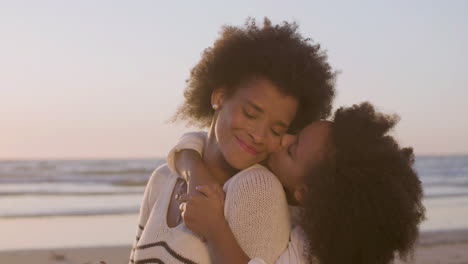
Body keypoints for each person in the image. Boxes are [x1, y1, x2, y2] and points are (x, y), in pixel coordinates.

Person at [129, 17, 335, 264]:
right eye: (250, 114)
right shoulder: (163, 178)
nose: (258, 135)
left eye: (276, 130)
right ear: (219, 96)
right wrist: (192, 165)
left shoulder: (257, 189)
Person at [171, 102, 426, 264]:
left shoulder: (312, 251)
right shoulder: (327, 222)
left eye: (293, 149)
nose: (283, 140)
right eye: (295, 133)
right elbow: (198, 139)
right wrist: (191, 162)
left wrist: (215, 229)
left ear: (305, 192)